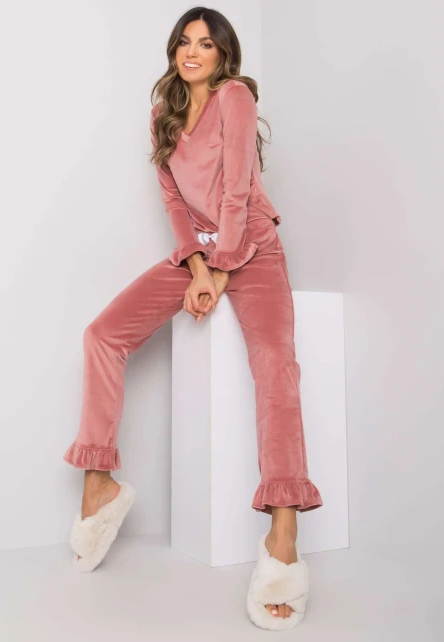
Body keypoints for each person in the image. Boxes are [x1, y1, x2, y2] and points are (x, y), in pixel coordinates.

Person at [64, 7, 322, 630]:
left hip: (253, 248)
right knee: (103, 335)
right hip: (200, 255)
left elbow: (237, 191)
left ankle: (283, 534)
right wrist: (200, 268)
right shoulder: (163, 114)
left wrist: (224, 268)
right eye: (184, 41)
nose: (192, 51)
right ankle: (100, 484)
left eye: (205, 43)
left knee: (275, 368)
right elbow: (176, 204)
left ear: (222, 54)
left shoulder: (235, 97)